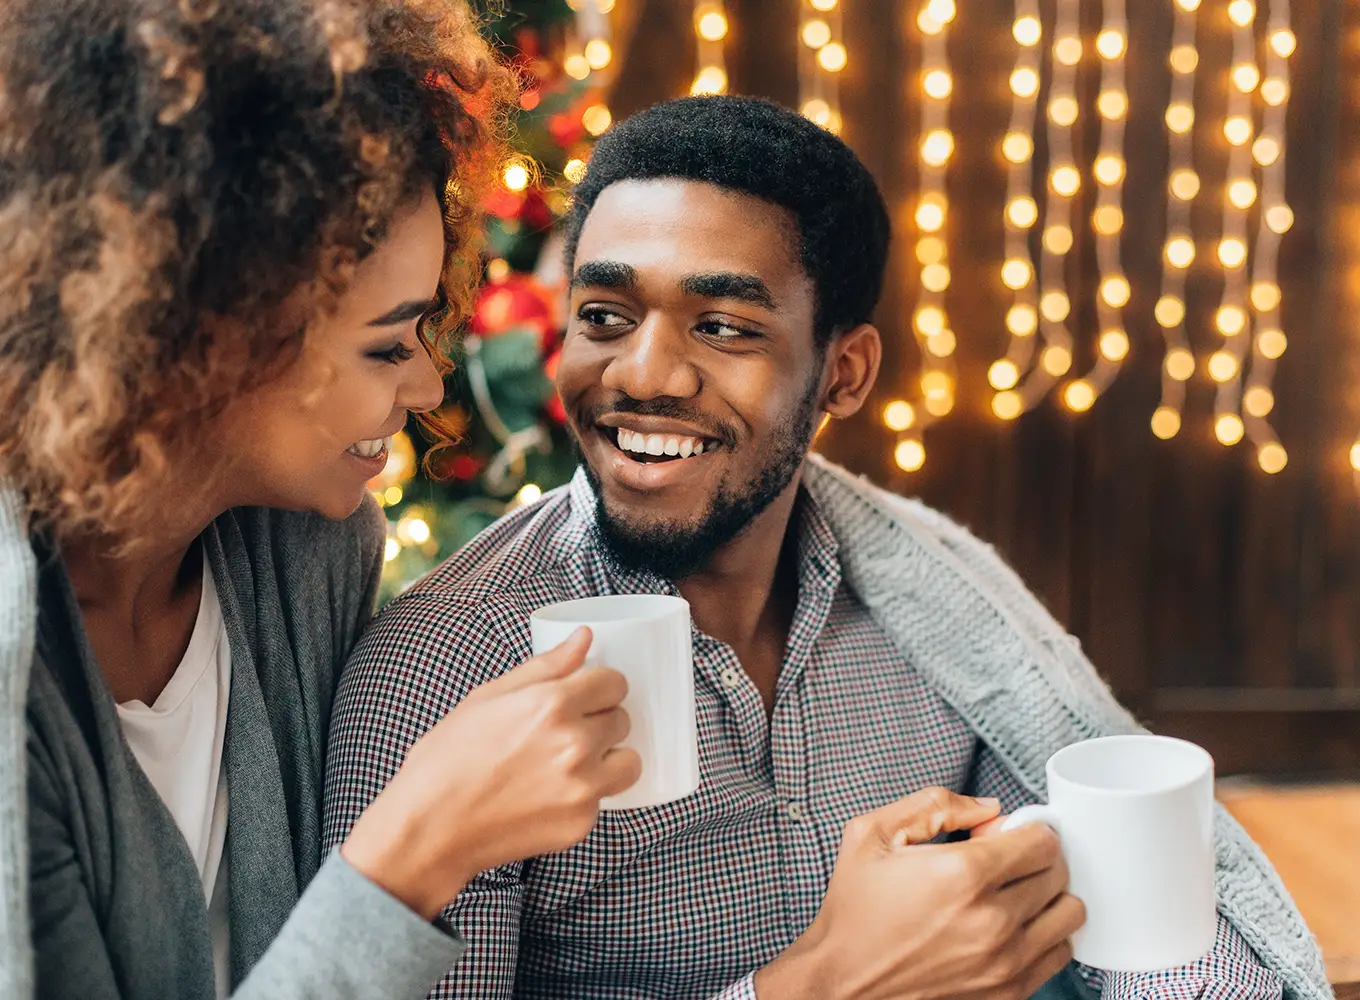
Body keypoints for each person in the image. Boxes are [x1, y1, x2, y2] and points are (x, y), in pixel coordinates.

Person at [325, 95, 1329, 1000]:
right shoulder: (440, 678)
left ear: (842, 373)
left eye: (721, 326)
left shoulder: (933, 601)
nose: (641, 373)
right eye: (604, 315)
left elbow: (1138, 894)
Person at [0, 2, 642, 998]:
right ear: (192, 340)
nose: (428, 388)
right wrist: (418, 843)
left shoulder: (309, 558)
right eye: (386, 344)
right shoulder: (15, 669)